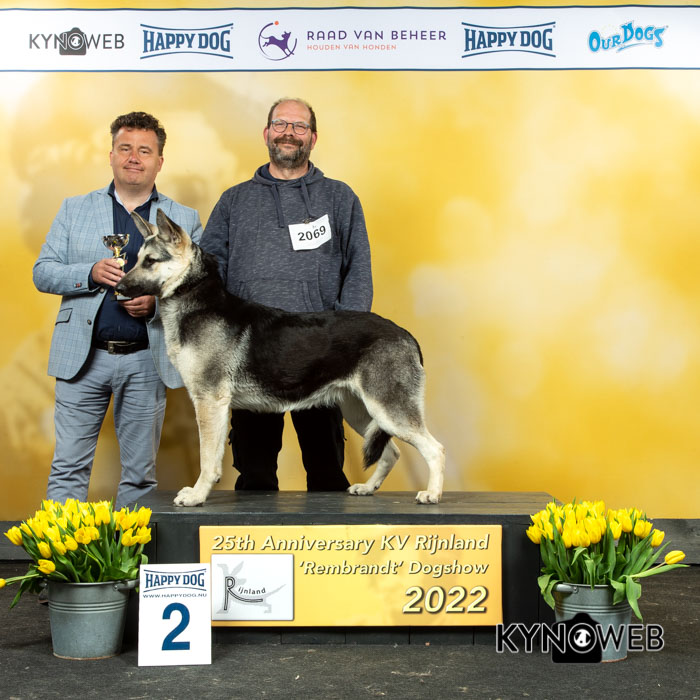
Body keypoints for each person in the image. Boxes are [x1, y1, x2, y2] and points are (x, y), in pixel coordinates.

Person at [201, 97, 373, 491]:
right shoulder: (233, 200)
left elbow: (358, 269)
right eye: (280, 124)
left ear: (313, 137)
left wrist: (345, 336)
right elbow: (209, 273)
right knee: (255, 476)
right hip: (250, 355)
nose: (289, 133)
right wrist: (221, 339)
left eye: (299, 126)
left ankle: (330, 533)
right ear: (267, 133)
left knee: (327, 473)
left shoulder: (340, 198)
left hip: (320, 353)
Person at [33, 111, 202, 508]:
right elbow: (43, 272)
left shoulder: (184, 219)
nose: (133, 158)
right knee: (68, 468)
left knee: (140, 476)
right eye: (125, 148)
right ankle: (62, 550)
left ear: (159, 161)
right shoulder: (74, 209)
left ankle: (130, 551)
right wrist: (88, 273)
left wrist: (157, 304)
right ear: (111, 155)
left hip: (146, 360)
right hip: (82, 357)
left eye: (144, 151)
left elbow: (199, 290)